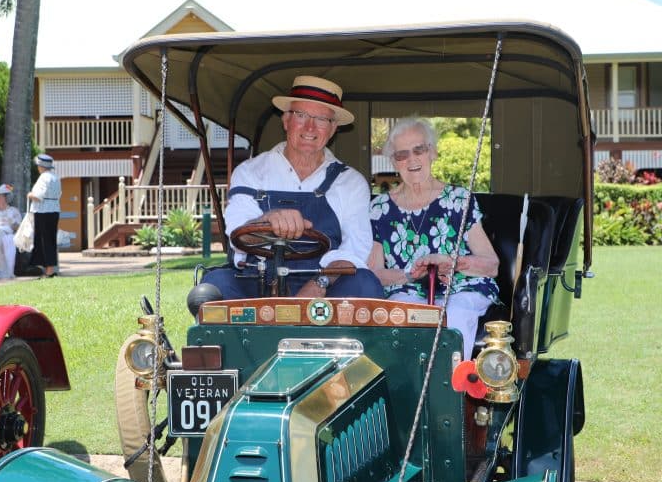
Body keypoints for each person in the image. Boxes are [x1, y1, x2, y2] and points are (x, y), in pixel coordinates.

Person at [203, 75, 383, 300]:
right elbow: (238, 234)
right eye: (301, 115)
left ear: (333, 128)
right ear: (286, 120)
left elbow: (356, 247)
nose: (310, 127)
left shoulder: (350, 182)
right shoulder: (250, 172)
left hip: (325, 284)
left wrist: (319, 283)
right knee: (213, 286)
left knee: (365, 285)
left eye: (321, 119)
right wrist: (267, 220)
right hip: (256, 281)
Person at [368, 117, 501, 359]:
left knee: (455, 315)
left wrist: (453, 262)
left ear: (433, 153)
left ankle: (450, 390)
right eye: (402, 154)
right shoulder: (380, 208)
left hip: (461, 288)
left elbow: (491, 266)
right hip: (407, 291)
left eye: (419, 150)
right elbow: (373, 273)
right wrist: (409, 274)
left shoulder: (459, 200)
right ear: (393, 162)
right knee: (402, 317)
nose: (412, 160)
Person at [27, 154, 61, 278]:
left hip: (43, 212)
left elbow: (38, 196)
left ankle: (49, 270)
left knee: (43, 240)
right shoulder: (55, 177)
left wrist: (30, 195)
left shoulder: (43, 178)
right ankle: (50, 269)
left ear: (41, 166)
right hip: (54, 211)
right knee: (50, 240)